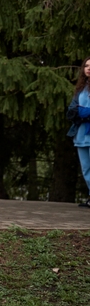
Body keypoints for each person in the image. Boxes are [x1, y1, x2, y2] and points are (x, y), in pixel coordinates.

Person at [66, 56, 90, 207]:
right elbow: (71, 111)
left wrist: (84, 112)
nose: (88, 68)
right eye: (86, 66)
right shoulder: (80, 88)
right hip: (81, 135)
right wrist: (83, 112)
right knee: (86, 169)